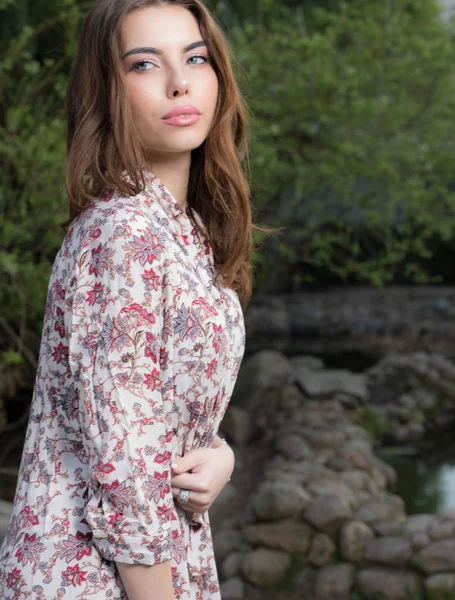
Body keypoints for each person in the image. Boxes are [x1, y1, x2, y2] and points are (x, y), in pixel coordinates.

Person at [0, 0, 262, 598]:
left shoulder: (181, 228)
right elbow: (125, 468)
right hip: (100, 578)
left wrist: (216, 453)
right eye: (144, 64)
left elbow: (147, 408)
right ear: (106, 91)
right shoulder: (123, 233)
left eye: (195, 57)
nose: (180, 82)